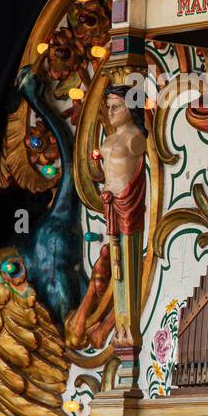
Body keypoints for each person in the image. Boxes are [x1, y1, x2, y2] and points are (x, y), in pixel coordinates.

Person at [91, 82, 148, 349]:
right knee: (115, 263)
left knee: (125, 262)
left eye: (117, 106)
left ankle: (127, 327)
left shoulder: (136, 138)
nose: (111, 112)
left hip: (126, 203)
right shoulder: (110, 139)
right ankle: (121, 325)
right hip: (111, 203)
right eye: (109, 107)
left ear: (131, 107)